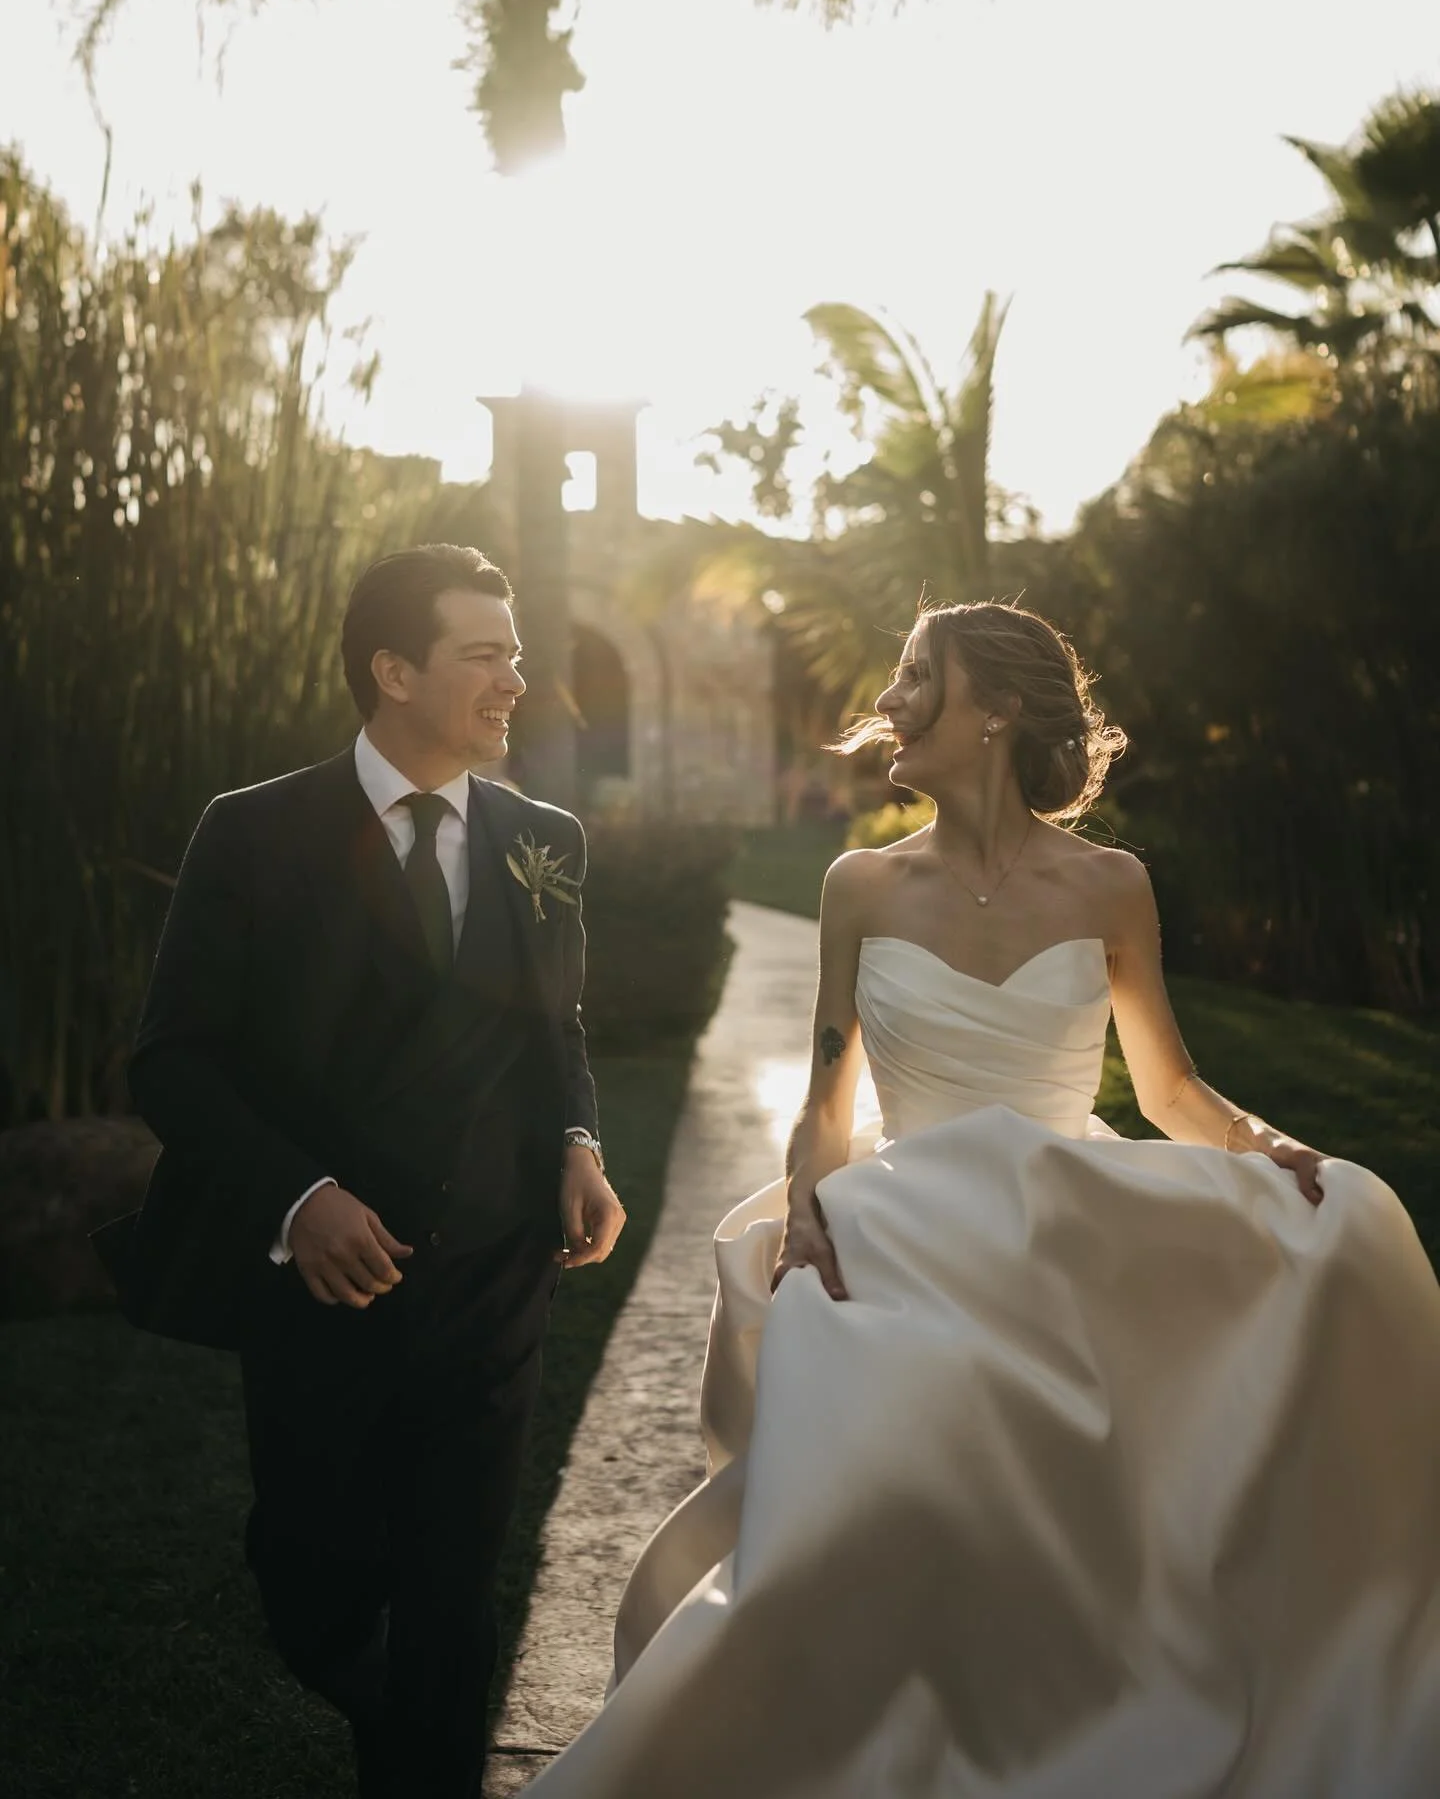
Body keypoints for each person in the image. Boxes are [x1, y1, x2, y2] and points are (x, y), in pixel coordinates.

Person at [521, 600, 1440, 1798]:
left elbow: (1167, 1085)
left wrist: (1273, 1146)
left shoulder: (1113, 885)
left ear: (999, 707)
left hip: (1069, 1222)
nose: (890, 700)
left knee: (1352, 1217)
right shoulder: (859, 883)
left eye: (917, 677)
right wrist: (805, 1203)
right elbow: (824, 1096)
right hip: (910, 1218)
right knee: (888, 1435)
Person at [93, 544, 626, 1798]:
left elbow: (558, 1030)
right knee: (313, 1576)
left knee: (453, 1591)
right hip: (324, 1291)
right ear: (393, 669)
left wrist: (579, 1139)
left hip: (498, 1276)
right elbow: (173, 1059)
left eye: (516, 653)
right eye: (484, 654)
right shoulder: (254, 830)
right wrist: (297, 1196)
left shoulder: (543, 839)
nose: (516, 679)